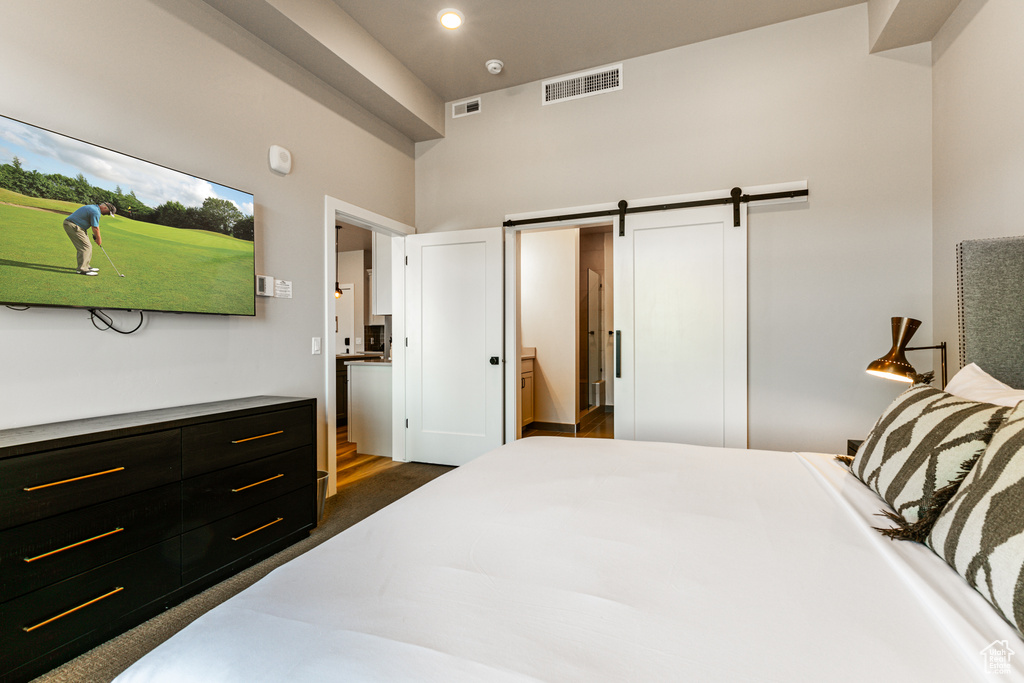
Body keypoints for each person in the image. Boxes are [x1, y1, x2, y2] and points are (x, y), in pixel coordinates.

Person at [63, 202, 115, 275]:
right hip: (73, 225)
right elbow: (95, 228)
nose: (107, 214)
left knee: (88, 246)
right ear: (105, 208)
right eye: (108, 213)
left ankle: (86, 266)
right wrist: (99, 239)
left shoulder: (94, 208)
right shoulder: (95, 211)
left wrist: (96, 237)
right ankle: (82, 269)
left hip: (78, 226)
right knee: (85, 247)